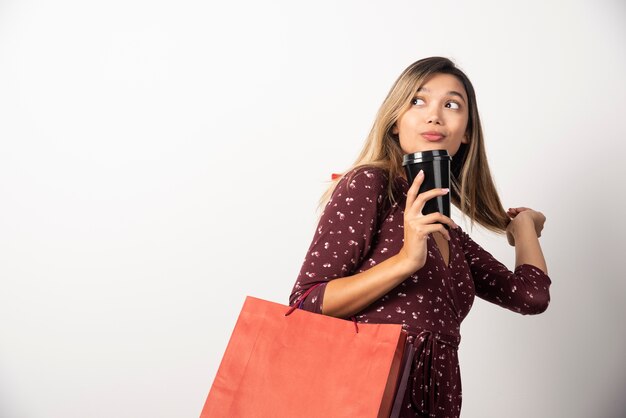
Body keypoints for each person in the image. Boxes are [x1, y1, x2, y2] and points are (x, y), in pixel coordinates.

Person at [288, 56, 551, 418]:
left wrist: (523, 229)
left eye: (452, 104)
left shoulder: (448, 233)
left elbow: (531, 296)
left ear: (468, 131)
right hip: (362, 398)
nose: (434, 115)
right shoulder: (369, 184)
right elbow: (305, 303)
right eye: (418, 100)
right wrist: (405, 261)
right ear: (395, 121)